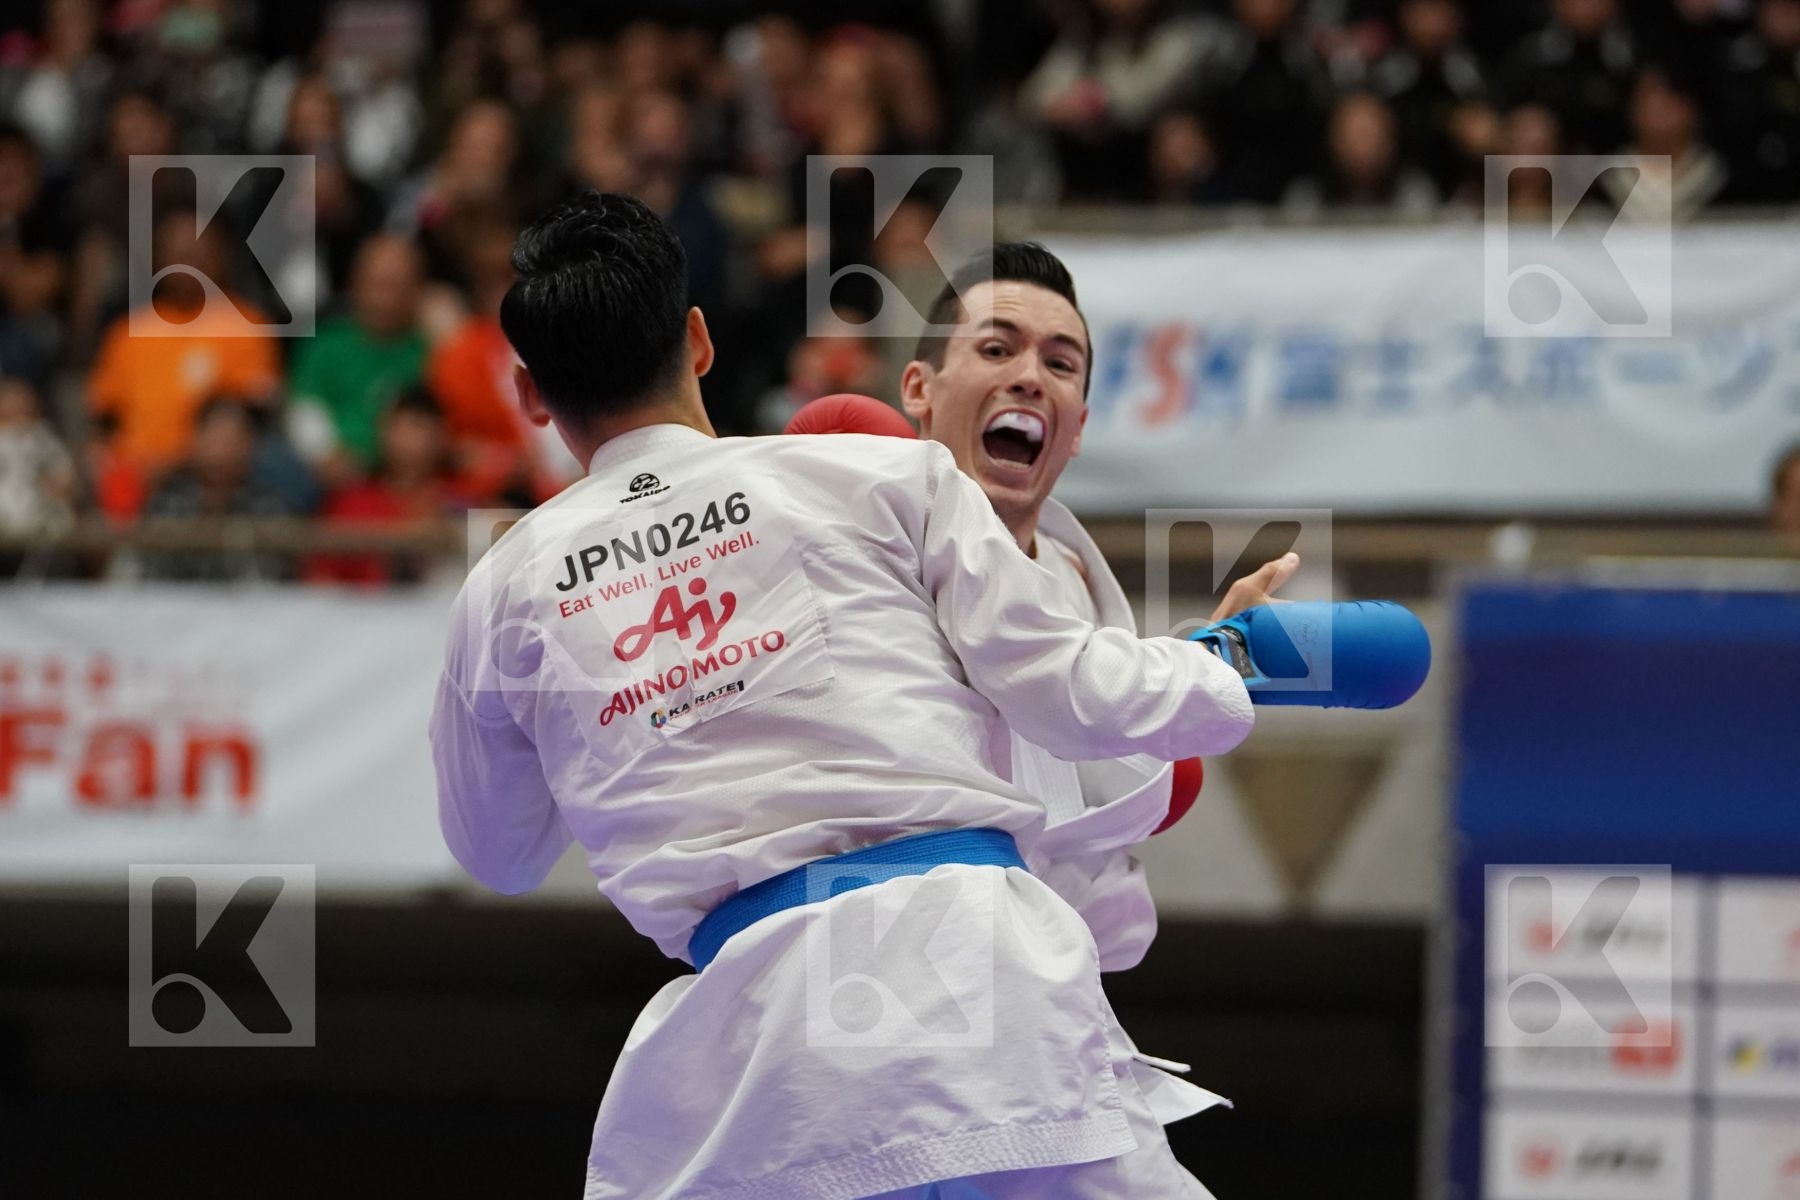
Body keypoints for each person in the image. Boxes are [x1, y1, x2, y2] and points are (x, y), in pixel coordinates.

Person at [430, 191, 1256, 1199]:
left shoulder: (502, 590)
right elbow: (1068, 690)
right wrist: (1220, 659)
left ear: (530, 394)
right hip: (983, 994)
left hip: (755, 1065)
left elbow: (500, 856)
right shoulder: (877, 476)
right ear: (698, 342)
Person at [897, 242, 1296, 1139]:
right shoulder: (857, 542)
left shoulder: (1079, 591)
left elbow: (1109, 916)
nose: (1030, 377)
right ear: (920, 391)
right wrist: (1204, 669)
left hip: (1029, 1023)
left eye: (1059, 362)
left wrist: (1200, 662)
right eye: (996, 350)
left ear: (1076, 427)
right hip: (868, 994)